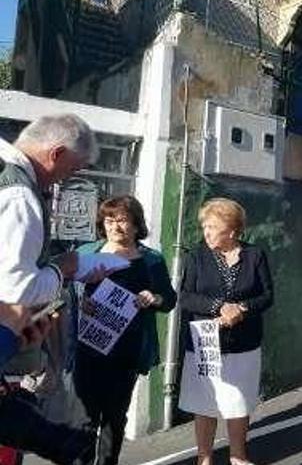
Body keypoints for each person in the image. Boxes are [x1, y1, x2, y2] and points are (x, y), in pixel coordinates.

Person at [0, 115, 100, 465]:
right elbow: (18, 288)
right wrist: (64, 268)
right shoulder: (18, 194)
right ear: (56, 153)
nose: (67, 180)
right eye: (72, 170)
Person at [71, 196, 177, 464]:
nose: (115, 227)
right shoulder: (86, 253)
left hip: (128, 352)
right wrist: (81, 301)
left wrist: (154, 298)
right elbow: (65, 290)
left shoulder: (151, 260)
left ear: (136, 225)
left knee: (114, 419)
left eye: (122, 220)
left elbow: (169, 299)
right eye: (109, 220)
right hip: (87, 349)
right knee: (83, 418)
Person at [178, 198, 274, 465]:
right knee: (204, 402)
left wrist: (241, 309)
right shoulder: (196, 256)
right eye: (204, 226)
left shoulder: (255, 255)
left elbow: (266, 296)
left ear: (232, 230)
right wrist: (220, 307)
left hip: (243, 345)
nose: (206, 232)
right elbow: (186, 297)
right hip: (206, 344)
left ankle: (238, 455)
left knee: (238, 402)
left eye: (212, 226)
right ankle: (204, 457)